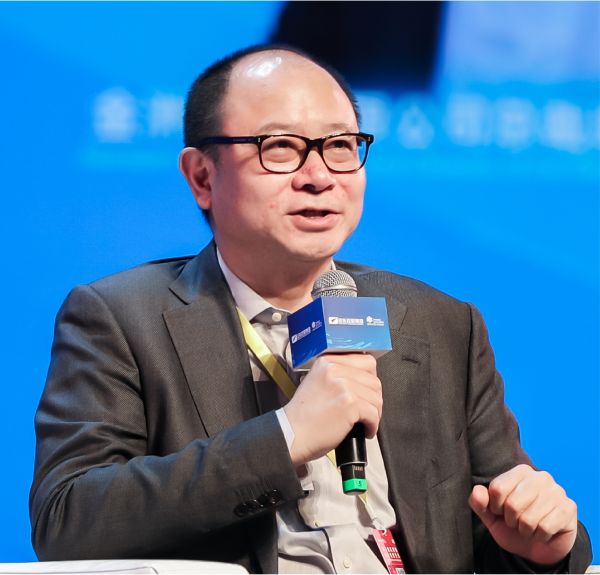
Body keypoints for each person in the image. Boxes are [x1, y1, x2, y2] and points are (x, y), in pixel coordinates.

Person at [30, 45, 592, 573]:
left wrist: (545, 549)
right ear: (202, 176)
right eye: (279, 147)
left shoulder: (439, 323)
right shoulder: (123, 318)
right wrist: (285, 437)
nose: (319, 176)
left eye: (341, 146)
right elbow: (67, 521)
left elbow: (495, 531)